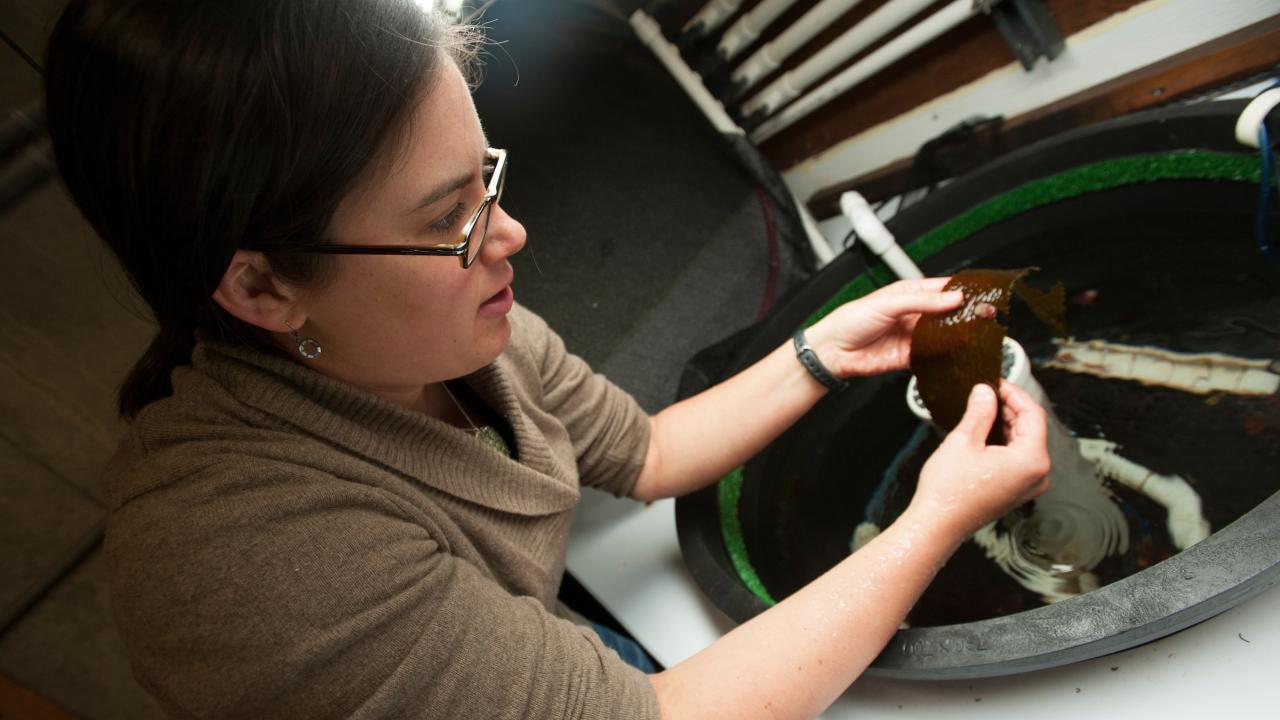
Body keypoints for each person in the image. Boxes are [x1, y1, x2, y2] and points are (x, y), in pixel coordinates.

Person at [44, 1, 1050, 718]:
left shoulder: (448, 326)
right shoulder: (247, 570)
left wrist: (819, 350)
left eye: (483, 180)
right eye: (449, 219)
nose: (512, 235)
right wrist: (936, 517)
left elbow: (644, 452)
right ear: (260, 288)